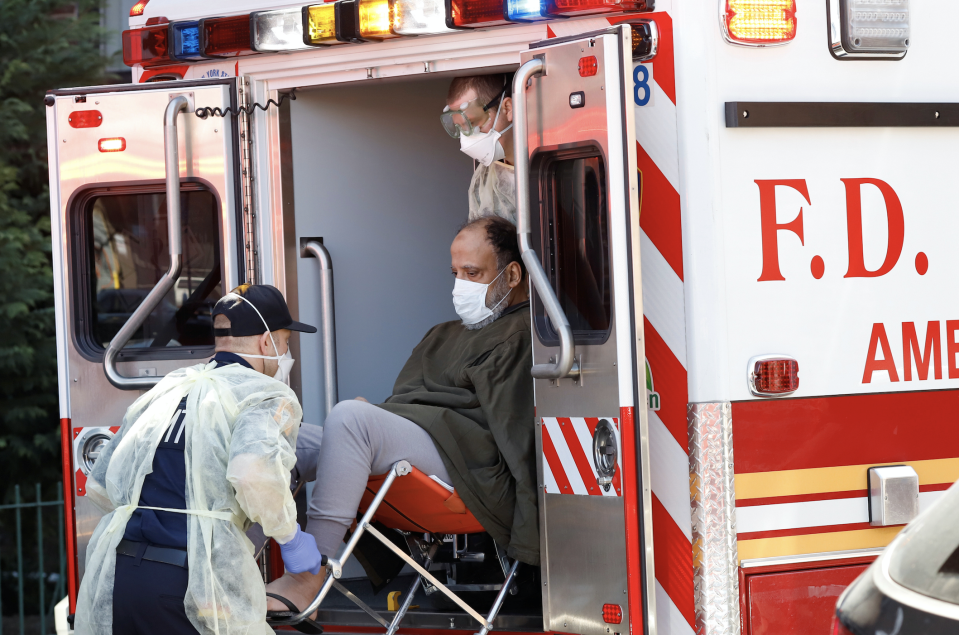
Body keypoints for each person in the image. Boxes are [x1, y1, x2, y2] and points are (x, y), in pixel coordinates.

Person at [265, 215, 536, 612]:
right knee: (285, 438)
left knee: (350, 420)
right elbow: (410, 404)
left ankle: (309, 577)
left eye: (473, 272)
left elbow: (517, 436)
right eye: (455, 272)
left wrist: (531, 532)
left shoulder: (525, 334)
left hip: (472, 466)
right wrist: (378, 418)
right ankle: (236, 571)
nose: (460, 285)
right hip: (428, 447)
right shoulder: (444, 332)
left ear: (511, 276)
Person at [75, 284, 324, 635]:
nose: (285, 353)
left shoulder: (169, 387)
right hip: (189, 587)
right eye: (285, 342)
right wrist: (290, 537)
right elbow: (253, 473)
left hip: (118, 579)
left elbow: (100, 483)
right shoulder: (265, 395)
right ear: (266, 343)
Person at [443, 74, 517, 224]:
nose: (467, 138)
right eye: (461, 127)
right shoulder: (483, 179)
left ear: (508, 108)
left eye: (473, 123)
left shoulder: (552, 165)